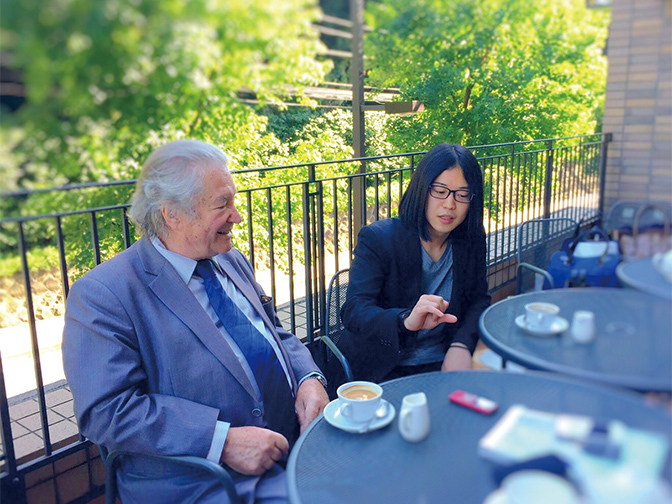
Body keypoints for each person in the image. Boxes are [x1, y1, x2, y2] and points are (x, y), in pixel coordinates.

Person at [62, 139, 329, 504]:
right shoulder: (105, 293)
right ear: (173, 214)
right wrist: (223, 442)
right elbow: (106, 412)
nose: (237, 216)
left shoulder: (230, 259)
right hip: (205, 478)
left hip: (293, 443)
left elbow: (274, 332)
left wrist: (308, 378)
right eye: (223, 205)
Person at [336, 143, 491, 384]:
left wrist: (461, 345)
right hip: (382, 369)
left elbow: (478, 298)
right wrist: (405, 320)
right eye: (440, 191)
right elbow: (354, 310)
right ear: (421, 190)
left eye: (462, 195)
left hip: (443, 363)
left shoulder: (471, 239)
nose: (450, 205)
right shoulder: (379, 238)